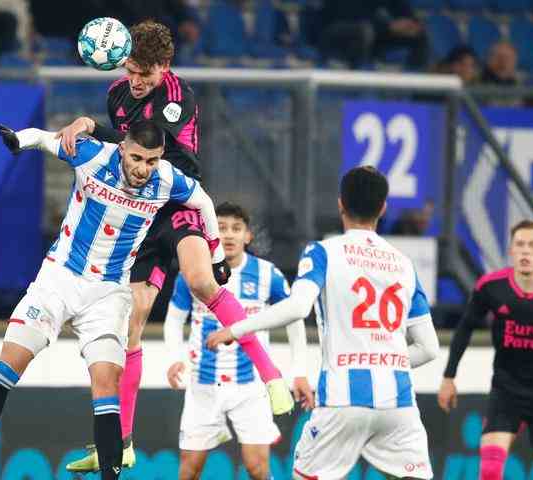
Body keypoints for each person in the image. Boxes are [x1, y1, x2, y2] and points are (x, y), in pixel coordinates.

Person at [0, 119, 224, 480]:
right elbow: (45, 140)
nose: (143, 169)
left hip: (109, 293)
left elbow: (203, 201)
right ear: (123, 148)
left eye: (152, 161)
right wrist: (19, 140)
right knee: (8, 365)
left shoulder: (168, 179)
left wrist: (217, 255)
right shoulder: (94, 155)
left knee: (107, 382)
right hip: (59, 277)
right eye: (138, 158)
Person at [60, 19, 293, 473]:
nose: (137, 81)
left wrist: (89, 126)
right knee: (130, 323)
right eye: (131, 71)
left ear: (164, 67)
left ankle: (271, 377)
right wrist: (93, 129)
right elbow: (126, 156)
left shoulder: (176, 97)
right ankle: (123, 442)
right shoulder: (117, 95)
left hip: (180, 201)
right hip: (143, 212)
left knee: (202, 282)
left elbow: (149, 150)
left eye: (145, 73)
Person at [208, 166, 441, 480]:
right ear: (383, 208)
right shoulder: (403, 264)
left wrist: (234, 329)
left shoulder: (324, 253)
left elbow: (297, 307)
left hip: (341, 399)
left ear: (340, 203)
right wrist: (384, 364)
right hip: (398, 403)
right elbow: (428, 349)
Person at [166, 202, 314, 480]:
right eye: (220, 228)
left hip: (250, 388)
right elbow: (174, 320)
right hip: (203, 386)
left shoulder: (268, 274)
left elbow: (295, 317)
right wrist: (175, 357)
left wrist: (299, 370)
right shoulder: (194, 272)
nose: (229, 235)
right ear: (210, 233)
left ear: (248, 236)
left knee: (257, 468)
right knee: (189, 469)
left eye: (236, 228)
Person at [438, 220, 533, 480]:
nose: (526, 251)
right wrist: (448, 377)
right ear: (510, 251)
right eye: (519, 245)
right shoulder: (490, 287)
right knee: (488, 471)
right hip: (507, 391)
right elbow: (465, 328)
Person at [315, 0, 429, 69]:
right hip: (335, 32)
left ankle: (419, 90)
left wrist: (412, 23)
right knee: (364, 30)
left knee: (419, 34)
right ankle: (357, 79)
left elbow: (401, 8)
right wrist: (389, 26)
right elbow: (348, 14)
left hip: (376, 31)